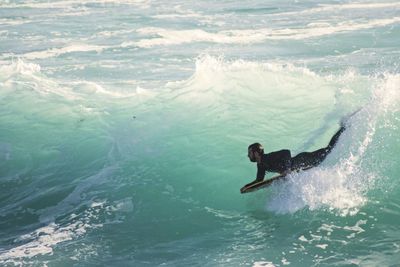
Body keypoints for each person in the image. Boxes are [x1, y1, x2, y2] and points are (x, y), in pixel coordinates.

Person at [246, 122, 346, 185]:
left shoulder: (267, 158)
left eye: (250, 152)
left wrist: (287, 169)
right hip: (300, 166)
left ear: (256, 153)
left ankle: (343, 128)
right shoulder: (261, 165)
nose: (248, 155)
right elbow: (259, 180)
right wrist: (246, 186)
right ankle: (343, 129)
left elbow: (286, 152)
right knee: (325, 155)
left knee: (328, 149)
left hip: (302, 160)